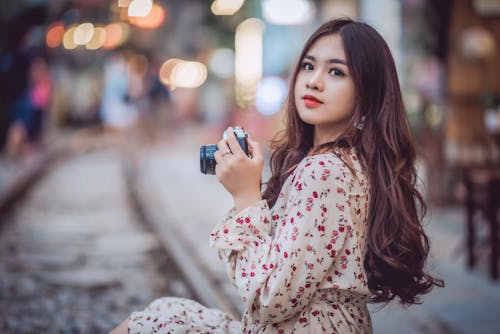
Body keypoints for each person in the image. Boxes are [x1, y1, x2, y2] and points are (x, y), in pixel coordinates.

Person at [110, 17, 444, 334]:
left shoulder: (324, 171)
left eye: (337, 72)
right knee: (164, 314)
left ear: (367, 93)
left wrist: (245, 197)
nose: (314, 80)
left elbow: (271, 297)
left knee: (155, 324)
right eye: (309, 66)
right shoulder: (342, 161)